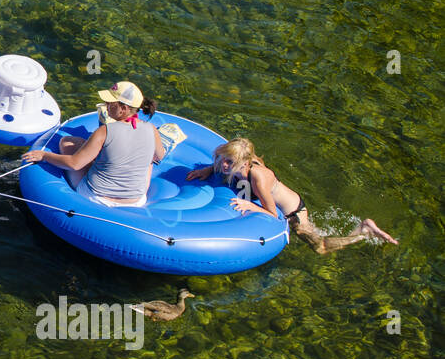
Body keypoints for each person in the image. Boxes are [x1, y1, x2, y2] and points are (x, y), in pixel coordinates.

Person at [186, 137, 398, 254]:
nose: (224, 164)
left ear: (244, 162)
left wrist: (252, 207)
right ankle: (363, 230)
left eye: (230, 163)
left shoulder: (258, 177)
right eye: (224, 159)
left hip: (293, 213)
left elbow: (272, 213)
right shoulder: (232, 162)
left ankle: (363, 231)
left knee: (320, 248)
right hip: (284, 201)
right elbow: (220, 164)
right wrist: (207, 170)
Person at [21, 80, 163, 207]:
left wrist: (44, 155)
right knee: (150, 159)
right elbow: (159, 156)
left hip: (96, 197)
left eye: (110, 103)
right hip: (136, 201)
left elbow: (74, 164)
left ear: (124, 108)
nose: (106, 106)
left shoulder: (104, 131)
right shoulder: (151, 129)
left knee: (68, 142)